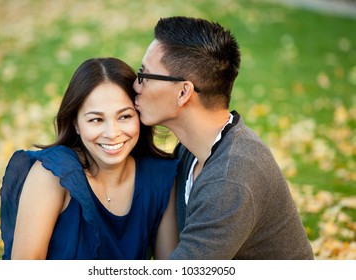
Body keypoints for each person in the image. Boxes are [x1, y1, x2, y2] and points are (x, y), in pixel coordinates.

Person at [133, 16, 314, 259]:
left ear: (183, 92)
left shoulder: (230, 179)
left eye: (145, 75)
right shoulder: (192, 151)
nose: (136, 85)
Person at [0, 57, 179, 260]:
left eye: (125, 116)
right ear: (76, 124)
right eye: (96, 119)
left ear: (140, 116)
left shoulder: (161, 178)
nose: (112, 133)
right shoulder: (53, 173)